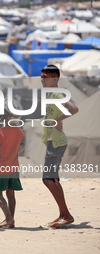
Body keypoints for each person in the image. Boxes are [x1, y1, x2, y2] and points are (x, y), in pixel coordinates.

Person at [40, 65, 78, 228]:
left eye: (45, 77)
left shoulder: (57, 93)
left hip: (56, 142)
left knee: (47, 179)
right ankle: (63, 214)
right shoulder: (51, 94)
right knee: (54, 179)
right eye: (41, 77)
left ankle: (67, 215)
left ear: (54, 78)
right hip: (52, 140)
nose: (42, 79)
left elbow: (74, 108)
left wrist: (58, 120)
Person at [0, 99, 24, 229]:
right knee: (11, 194)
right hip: (14, 167)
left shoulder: (0, 132)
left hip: (2, 167)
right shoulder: (20, 131)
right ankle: (11, 220)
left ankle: (8, 218)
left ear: (5, 115)